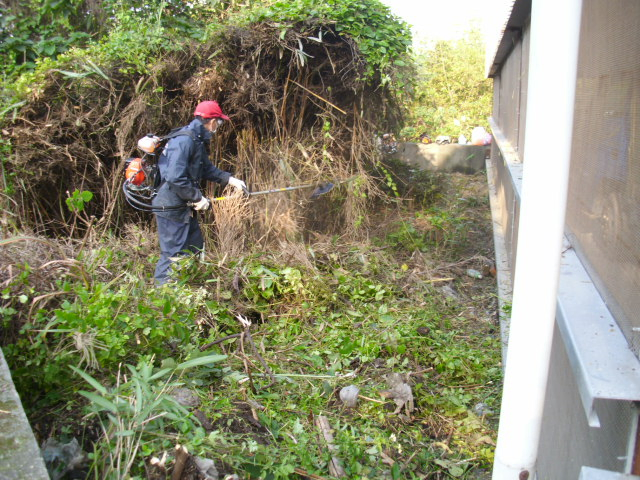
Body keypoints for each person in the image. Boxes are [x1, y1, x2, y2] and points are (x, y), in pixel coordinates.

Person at [151, 100, 246, 285]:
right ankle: (163, 297)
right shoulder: (185, 140)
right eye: (219, 122)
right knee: (173, 254)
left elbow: (206, 169)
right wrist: (196, 197)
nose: (219, 126)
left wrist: (230, 179)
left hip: (183, 206)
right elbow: (174, 176)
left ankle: (190, 289)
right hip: (171, 207)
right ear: (210, 121)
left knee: (194, 247)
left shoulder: (196, 140)